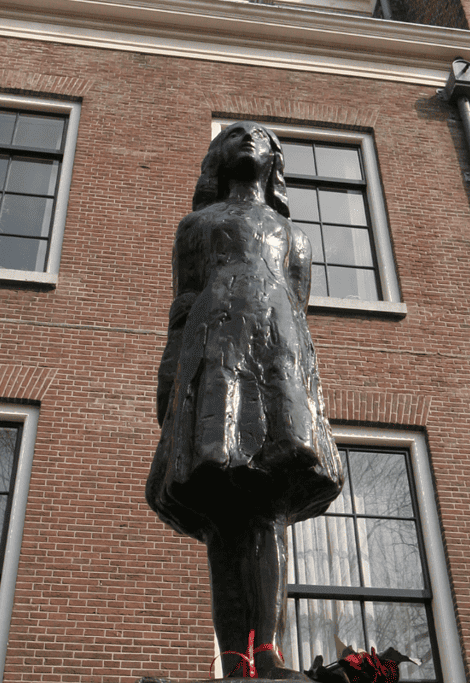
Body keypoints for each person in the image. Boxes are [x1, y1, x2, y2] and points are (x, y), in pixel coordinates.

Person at [147, 122, 343, 678]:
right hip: (214, 353)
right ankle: (234, 658)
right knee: (222, 516)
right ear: (217, 157)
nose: (249, 140)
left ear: (276, 163)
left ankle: (268, 653)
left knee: (268, 506)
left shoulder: (294, 237)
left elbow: (297, 314)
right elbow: (183, 303)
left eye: (261, 137)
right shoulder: (197, 227)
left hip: (276, 359)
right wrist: (170, 375)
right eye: (235, 135)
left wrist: (306, 394)